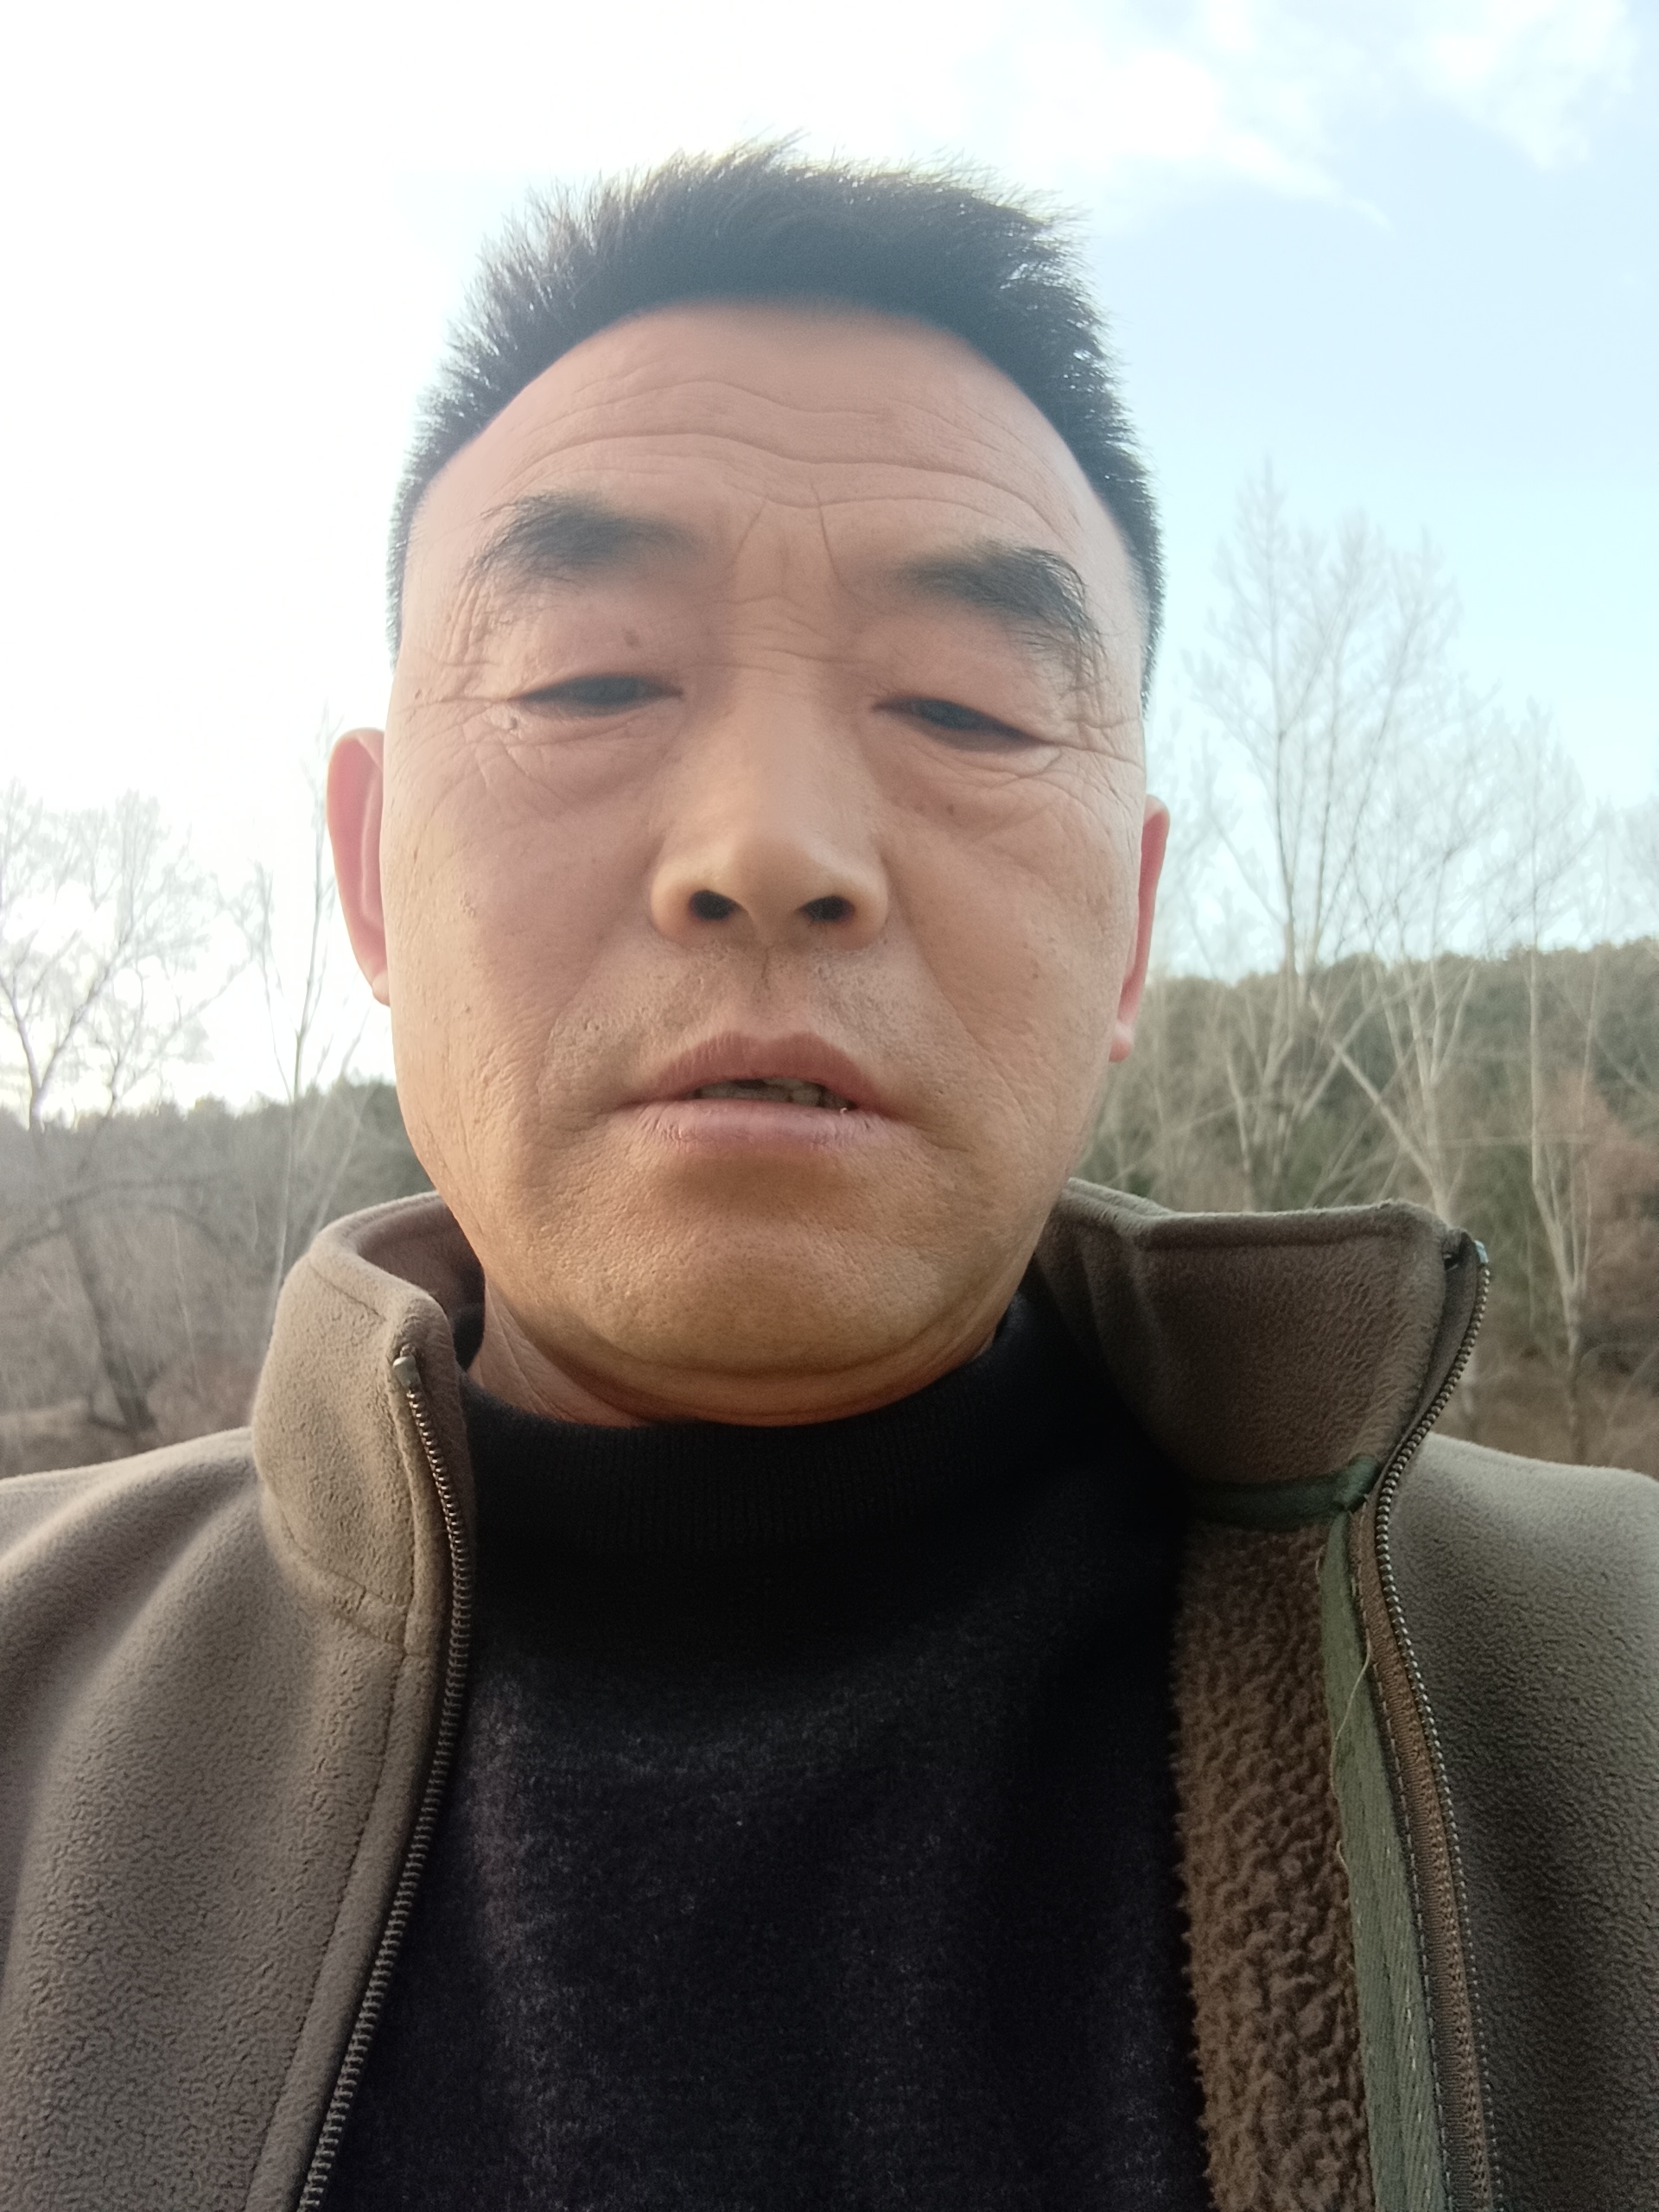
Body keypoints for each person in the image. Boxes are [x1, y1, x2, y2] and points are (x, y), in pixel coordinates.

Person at [0, 149, 1653, 2212]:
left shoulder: (1610, 1689)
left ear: (1133, 933)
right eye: (590, 678)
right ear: (368, 871)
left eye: (964, 705)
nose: (771, 845)